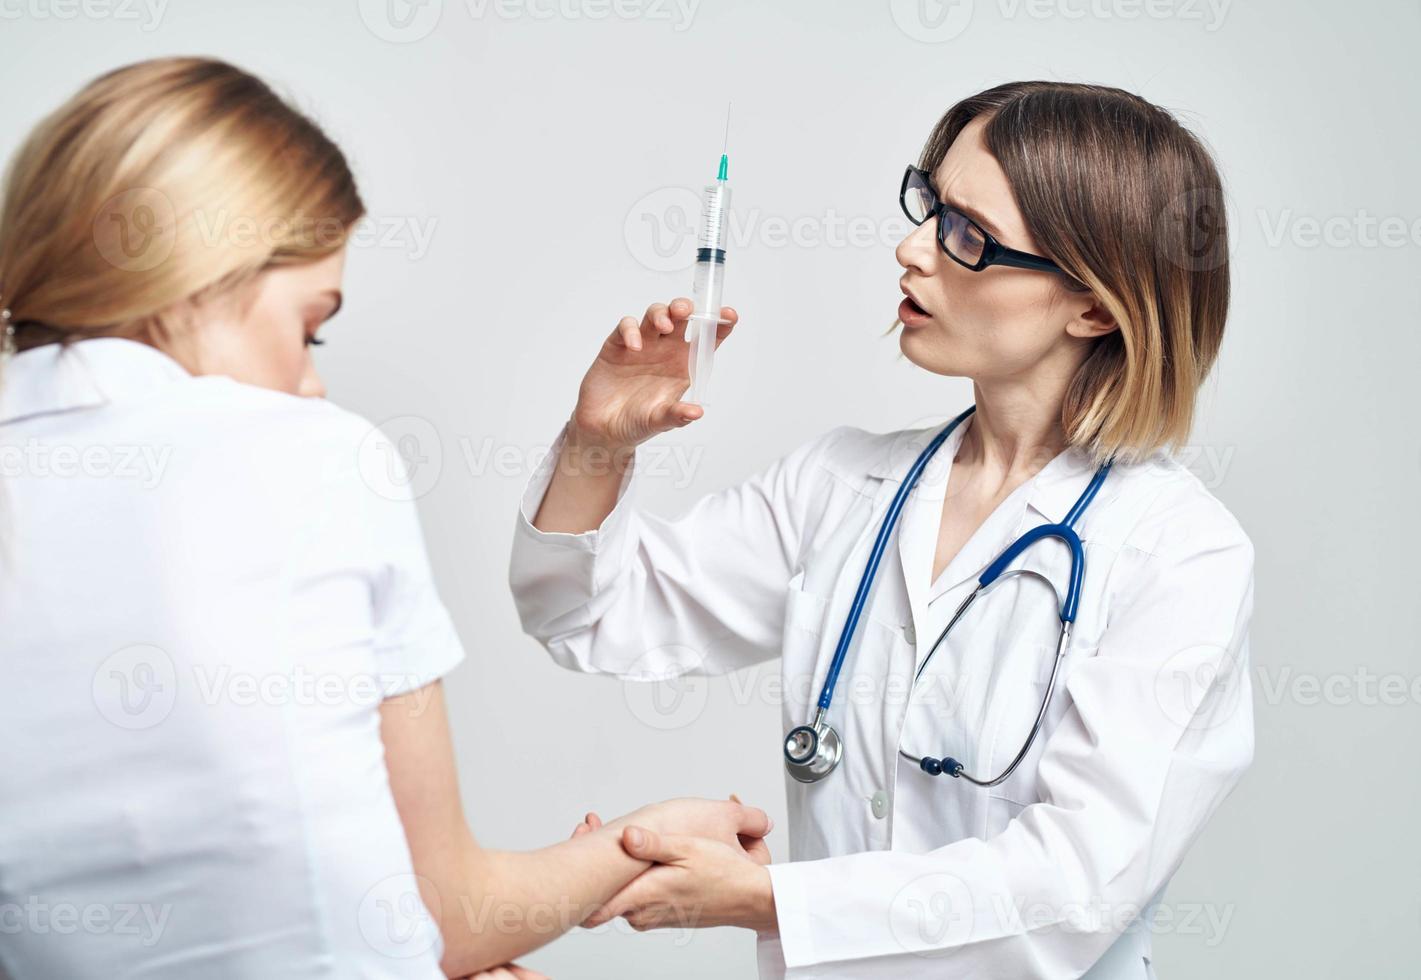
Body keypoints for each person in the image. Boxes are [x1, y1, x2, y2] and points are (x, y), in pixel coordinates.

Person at [0, 56, 771, 980]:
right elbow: (445, 918)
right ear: (195, 275)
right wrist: (652, 838)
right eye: (309, 327)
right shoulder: (311, 456)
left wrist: (597, 446)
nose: (311, 379)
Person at [511, 80, 1255, 979]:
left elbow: (1078, 887)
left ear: (1092, 306)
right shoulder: (843, 484)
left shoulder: (1177, 554)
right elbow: (592, 617)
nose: (911, 249)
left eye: (968, 235)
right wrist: (598, 445)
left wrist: (763, 900)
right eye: (929, 206)